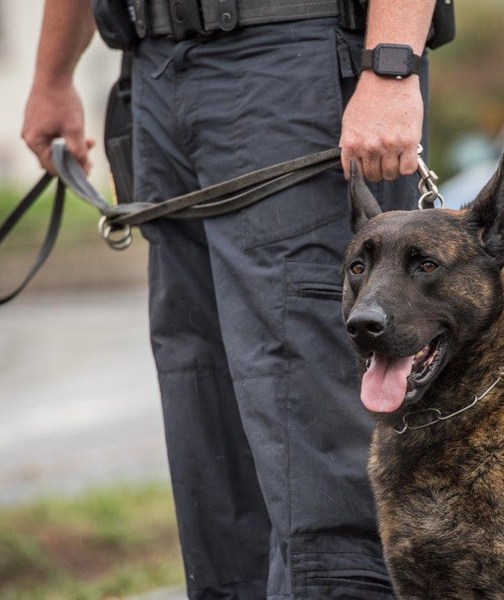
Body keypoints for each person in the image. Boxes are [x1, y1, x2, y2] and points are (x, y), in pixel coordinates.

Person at [22, 1, 435, 598]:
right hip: (156, 71)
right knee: (206, 425)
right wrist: (53, 77)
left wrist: (392, 64)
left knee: (317, 445)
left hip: (291, 57)